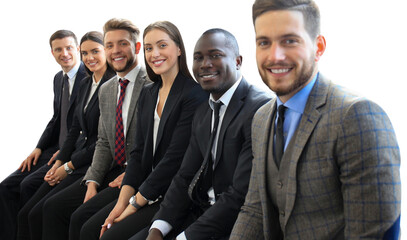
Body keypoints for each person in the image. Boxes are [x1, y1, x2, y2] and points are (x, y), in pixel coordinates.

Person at [230, 0, 401, 239]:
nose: (274, 56)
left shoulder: (358, 117)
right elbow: (255, 210)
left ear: (319, 47)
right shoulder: (261, 118)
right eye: (264, 42)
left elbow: (373, 234)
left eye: (289, 40)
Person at [137, 28, 271, 240]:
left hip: (235, 222)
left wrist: (184, 238)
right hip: (198, 211)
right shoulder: (204, 109)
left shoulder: (259, 109)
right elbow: (184, 176)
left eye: (215, 56)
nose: (205, 64)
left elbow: (240, 194)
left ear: (238, 61)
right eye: (198, 58)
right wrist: (158, 228)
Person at [79, 20, 208, 240]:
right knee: (88, 228)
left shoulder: (194, 95)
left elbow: (173, 160)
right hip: (146, 186)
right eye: (149, 48)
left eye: (162, 45)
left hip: (173, 192)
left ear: (179, 49)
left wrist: (132, 205)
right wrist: (120, 205)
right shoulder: (149, 92)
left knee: (110, 236)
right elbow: (137, 153)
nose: (154, 53)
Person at [39, 18, 150, 240]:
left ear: (137, 47)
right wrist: (92, 182)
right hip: (111, 169)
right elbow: (104, 142)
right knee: (54, 208)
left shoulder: (151, 84)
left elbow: (154, 144)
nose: (115, 51)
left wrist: (131, 175)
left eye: (123, 44)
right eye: (110, 45)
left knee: (83, 222)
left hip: (137, 173)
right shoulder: (107, 89)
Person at [16, 31, 116, 240]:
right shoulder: (86, 83)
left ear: (106, 51)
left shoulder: (113, 86)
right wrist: (59, 161)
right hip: (76, 158)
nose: (89, 58)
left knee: (49, 209)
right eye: (85, 52)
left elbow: (103, 141)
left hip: (95, 163)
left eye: (95, 51)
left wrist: (68, 166)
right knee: (29, 213)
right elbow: (74, 129)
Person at [0, 29, 88, 240]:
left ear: (77, 49)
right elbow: (56, 119)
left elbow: (85, 128)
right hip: (52, 149)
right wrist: (38, 148)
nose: (64, 53)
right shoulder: (59, 78)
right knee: (5, 188)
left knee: (28, 185)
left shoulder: (89, 77)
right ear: (52, 53)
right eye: (58, 49)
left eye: (68, 48)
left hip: (71, 152)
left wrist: (64, 156)